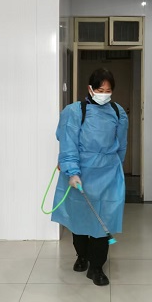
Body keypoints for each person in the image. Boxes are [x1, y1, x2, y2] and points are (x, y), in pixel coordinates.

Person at [52, 68, 128, 286]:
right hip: (81, 173)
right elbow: (67, 143)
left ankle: (96, 267)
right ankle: (82, 256)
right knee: (80, 218)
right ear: (90, 89)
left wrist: (116, 168)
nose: (104, 94)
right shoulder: (74, 112)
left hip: (108, 174)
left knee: (103, 220)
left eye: (108, 91)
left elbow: (121, 145)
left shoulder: (118, 113)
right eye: (100, 90)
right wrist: (72, 172)